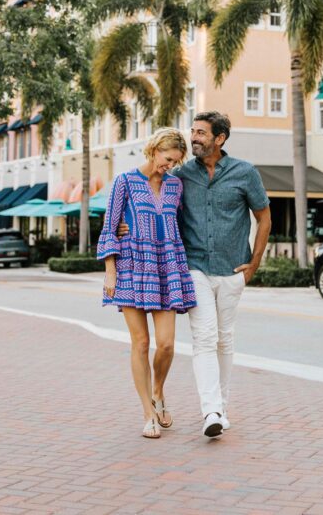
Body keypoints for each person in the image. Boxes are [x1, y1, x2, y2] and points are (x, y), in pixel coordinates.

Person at [120, 111, 271, 438]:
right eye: (193, 131)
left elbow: (264, 217)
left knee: (224, 338)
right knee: (204, 337)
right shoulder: (181, 174)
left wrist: (254, 264)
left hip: (233, 269)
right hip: (193, 268)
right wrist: (127, 226)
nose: (195, 137)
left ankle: (222, 406)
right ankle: (211, 411)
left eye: (202, 133)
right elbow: (152, 197)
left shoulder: (245, 172)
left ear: (220, 139)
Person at [97, 128, 196, 440]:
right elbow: (110, 228)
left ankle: (158, 391)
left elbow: (178, 224)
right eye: (168, 159)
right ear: (154, 150)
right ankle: (147, 412)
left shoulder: (175, 186)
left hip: (166, 267)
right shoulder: (125, 181)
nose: (171, 165)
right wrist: (110, 271)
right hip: (131, 267)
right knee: (140, 343)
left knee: (166, 343)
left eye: (176, 162)